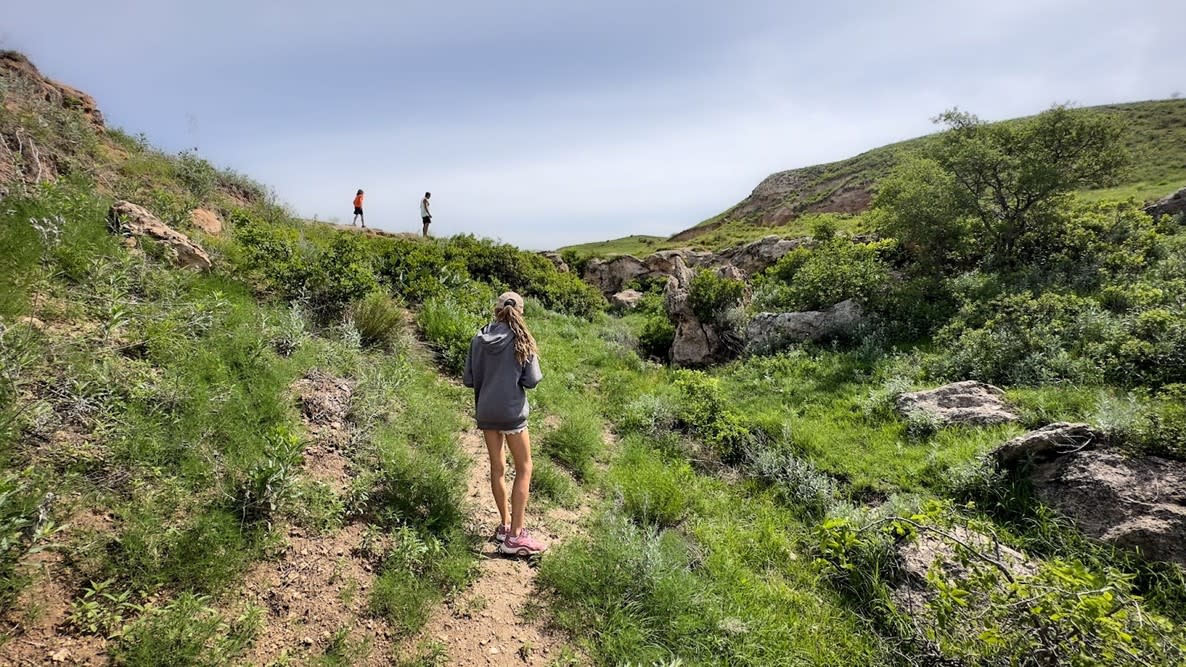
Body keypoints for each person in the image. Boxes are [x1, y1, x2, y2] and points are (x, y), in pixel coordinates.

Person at [462, 292, 547, 557]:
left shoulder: (479, 337)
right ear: (520, 312)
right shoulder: (521, 338)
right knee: (524, 467)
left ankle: (505, 524)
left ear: (496, 309)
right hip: (512, 413)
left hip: (486, 411)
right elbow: (532, 380)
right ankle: (516, 537)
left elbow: (469, 379)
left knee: (497, 467)